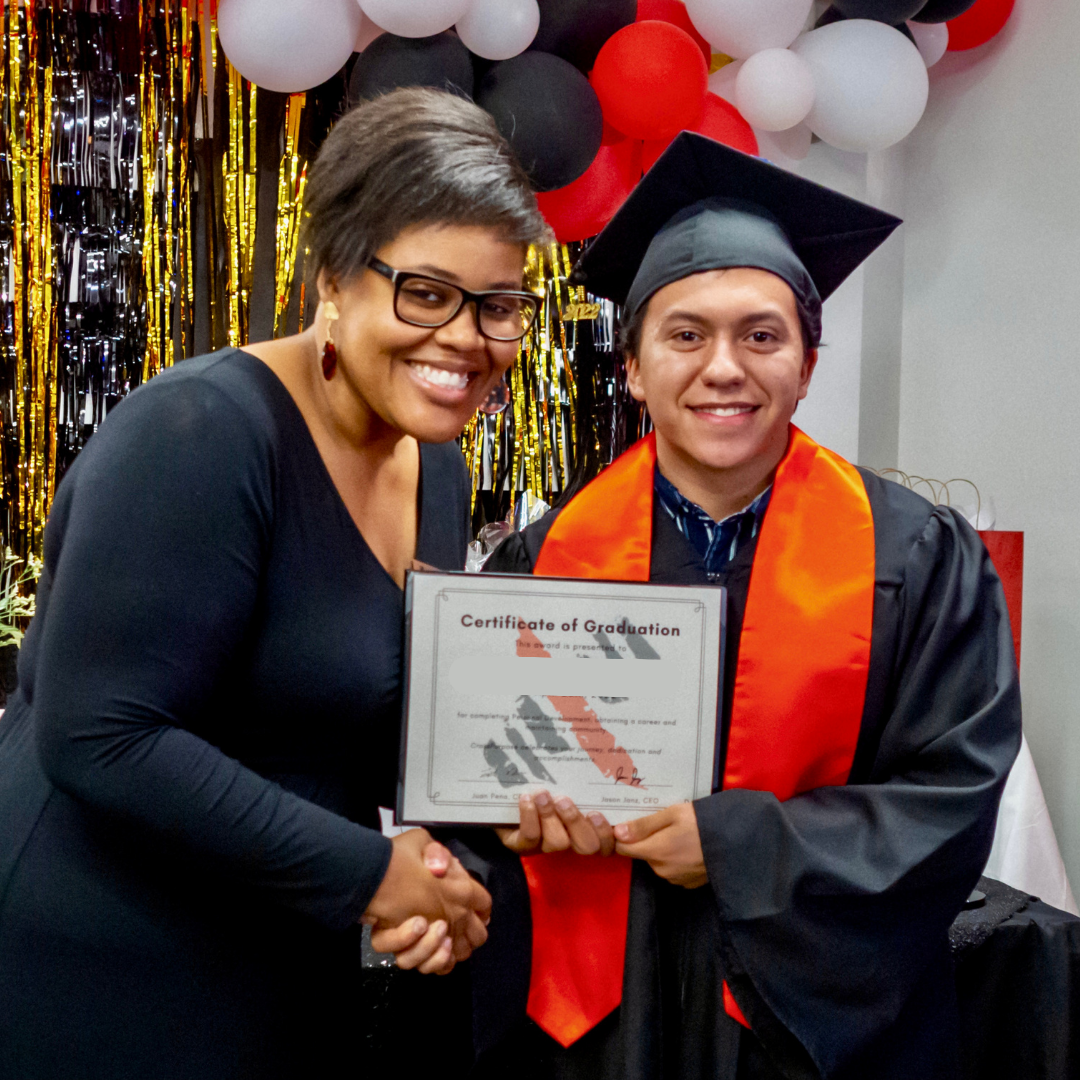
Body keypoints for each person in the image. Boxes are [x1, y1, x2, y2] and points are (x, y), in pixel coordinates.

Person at [0, 88, 547, 1079]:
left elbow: (350, 703)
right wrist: (372, 872)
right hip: (105, 961)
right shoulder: (200, 433)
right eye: (425, 292)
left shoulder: (435, 463)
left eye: (499, 306)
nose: (467, 340)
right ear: (332, 278)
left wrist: (479, 832)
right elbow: (101, 734)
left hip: (273, 944)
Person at [458, 133, 1022, 1080]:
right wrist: (502, 826)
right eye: (685, 334)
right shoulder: (544, 560)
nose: (725, 367)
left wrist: (736, 843)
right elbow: (471, 793)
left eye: (762, 335)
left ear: (805, 368)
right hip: (600, 1027)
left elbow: (953, 798)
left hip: (812, 1028)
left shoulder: (916, 556)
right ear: (633, 368)